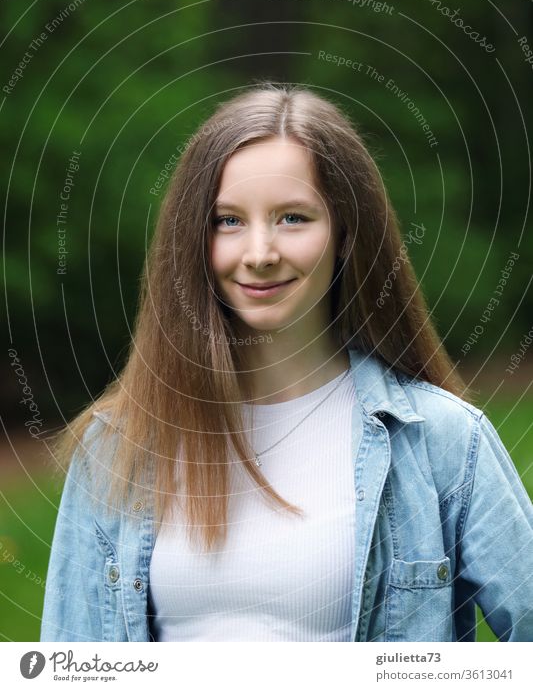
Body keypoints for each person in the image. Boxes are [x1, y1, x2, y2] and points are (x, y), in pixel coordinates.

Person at [41, 83, 533, 642]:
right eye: (227, 220)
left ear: (346, 233)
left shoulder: (444, 442)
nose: (258, 253)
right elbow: (71, 665)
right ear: (192, 241)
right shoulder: (115, 450)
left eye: (292, 217)